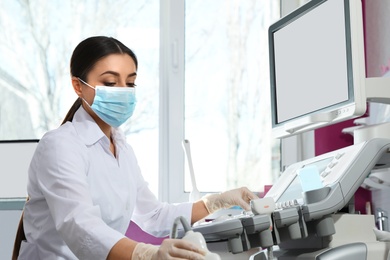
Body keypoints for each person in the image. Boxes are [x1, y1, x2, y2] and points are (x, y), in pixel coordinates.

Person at [13, 36, 259, 260]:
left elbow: (153, 215)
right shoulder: (60, 145)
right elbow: (79, 225)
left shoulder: (121, 147)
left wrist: (218, 202)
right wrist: (147, 254)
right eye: (110, 81)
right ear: (79, 86)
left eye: (130, 83)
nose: (122, 91)